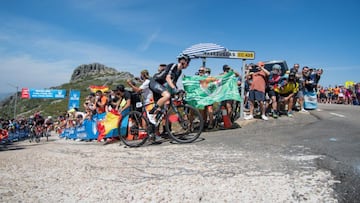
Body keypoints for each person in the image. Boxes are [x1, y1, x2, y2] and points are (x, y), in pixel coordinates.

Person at [148, 54, 191, 124]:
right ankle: (151, 112)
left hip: (161, 86)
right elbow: (168, 78)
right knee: (167, 95)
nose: (188, 65)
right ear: (183, 61)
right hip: (155, 82)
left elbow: (173, 83)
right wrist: (174, 89)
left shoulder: (179, 71)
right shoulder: (173, 65)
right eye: (188, 62)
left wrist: (179, 90)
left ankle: (152, 129)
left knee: (161, 111)